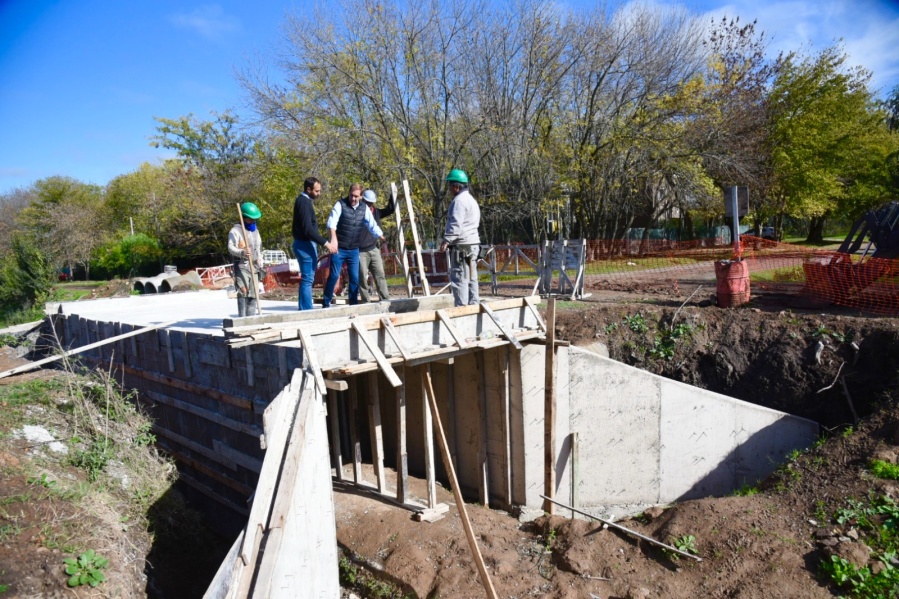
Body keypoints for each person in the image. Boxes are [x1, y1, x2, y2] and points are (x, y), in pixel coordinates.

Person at [322, 183, 385, 307]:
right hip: (339, 248)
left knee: (355, 278)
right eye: (351, 195)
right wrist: (333, 239)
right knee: (334, 275)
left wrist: (381, 236)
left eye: (356, 196)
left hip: (354, 249)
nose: (353, 199)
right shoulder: (340, 204)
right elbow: (331, 223)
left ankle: (353, 304)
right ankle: (326, 302)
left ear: (361, 197)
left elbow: (372, 225)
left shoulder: (364, 209)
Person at [292, 177, 337, 310]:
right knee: (307, 279)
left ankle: (304, 308)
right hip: (304, 244)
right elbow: (307, 230)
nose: (319, 194)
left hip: (305, 244)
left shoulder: (304, 201)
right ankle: (306, 310)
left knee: (308, 278)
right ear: (308, 189)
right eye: (317, 191)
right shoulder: (304, 202)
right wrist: (326, 243)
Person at [439, 169, 481, 306]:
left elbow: (455, 223)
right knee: (471, 277)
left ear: (456, 186)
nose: (449, 189)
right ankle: (474, 305)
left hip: (462, 245)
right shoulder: (471, 200)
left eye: (450, 186)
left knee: (460, 278)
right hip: (473, 244)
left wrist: (446, 240)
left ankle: (461, 309)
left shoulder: (459, 202)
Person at [228, 202, 265, 317]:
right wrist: (242, 252)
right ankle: (242, 319)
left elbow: (258, 247)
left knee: (253, 294)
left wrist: (260, 260)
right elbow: (230, 248)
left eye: (255, 219)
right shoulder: (235, 231)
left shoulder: (255, 231)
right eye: (251, 219)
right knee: (243, 291)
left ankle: (251, 318)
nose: (253, 221)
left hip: (254, 266)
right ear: (244, 218)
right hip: (242, 266)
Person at [358, 189, 395, 302]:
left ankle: (385, 299)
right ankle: (365, 301)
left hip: (373, 249)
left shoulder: (376, 212)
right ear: (362, 200)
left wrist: (392, 194)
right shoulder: (357, 212)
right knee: (362, 278)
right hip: (360, 251)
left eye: (371, 203)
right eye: (367, 203)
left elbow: (390, 209)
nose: (369, 205)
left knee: (380, 275)